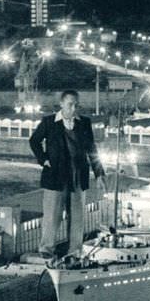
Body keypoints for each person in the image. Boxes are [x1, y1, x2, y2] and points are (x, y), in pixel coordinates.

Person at [29, 90, 107, 259]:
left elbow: (92, 149)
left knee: (77, 215)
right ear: (62, 104)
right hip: (55, 175)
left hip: (78, 175)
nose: (74, 108)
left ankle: (75, 250)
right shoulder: (49, 122)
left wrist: (99, 174)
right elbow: (34, 141)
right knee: (52, 214)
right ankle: (46, 249)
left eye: (76, 105)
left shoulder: (84, 123)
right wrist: (44, 160)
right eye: (70, 104)